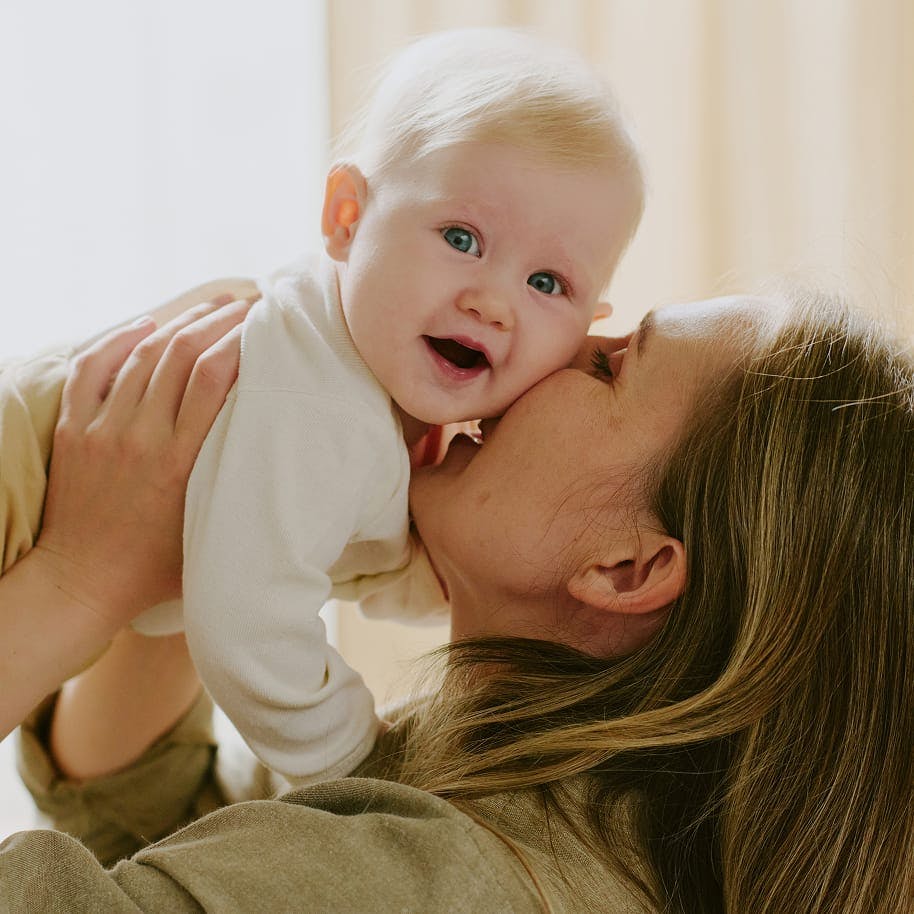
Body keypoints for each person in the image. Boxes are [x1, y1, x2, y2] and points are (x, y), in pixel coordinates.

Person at [3, 286, 910, 913]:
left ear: (628, 570)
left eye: (610, 367)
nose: (555, 343)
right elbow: (165, 825)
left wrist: (76, 584)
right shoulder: (552, 812)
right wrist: (232, 496)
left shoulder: (445, 884)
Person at [0, 27, 645, 784]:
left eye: (546, 285)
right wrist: (361, 761)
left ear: (585, 327)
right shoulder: (325, 406)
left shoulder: (349, 374)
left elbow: (332, 549)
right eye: (462, 237)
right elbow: (249, 627)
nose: (492, 301)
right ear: (347, 217)